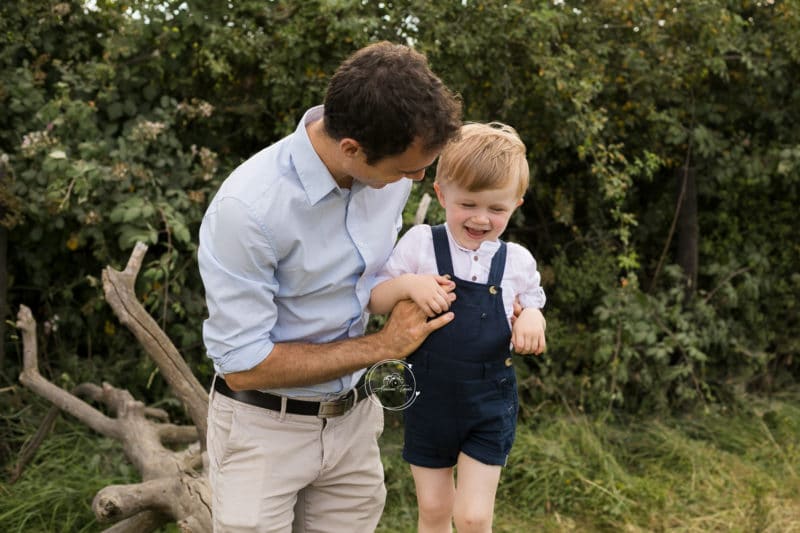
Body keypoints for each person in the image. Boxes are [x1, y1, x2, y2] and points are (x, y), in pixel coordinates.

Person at [198, 41, 462, 533]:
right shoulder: (248, 210)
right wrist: (383, 345)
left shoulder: (393, 172)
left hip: (355, 424)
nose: (418, 179)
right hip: (263, 433)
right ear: (351, 149)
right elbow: (242, 365)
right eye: (406, 170)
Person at [369, 122, 547, 533]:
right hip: (429, 400)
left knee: (472, 517)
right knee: (433, 510)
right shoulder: (420, 244)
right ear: (441, 194)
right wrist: (409, 285)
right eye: (468, 204)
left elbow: (532, 301)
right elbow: (375, 297)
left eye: (497, 209)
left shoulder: (516, 261)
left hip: (488, 403)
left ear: (516, 205)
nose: (481, 219)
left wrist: (534, 318)